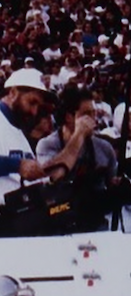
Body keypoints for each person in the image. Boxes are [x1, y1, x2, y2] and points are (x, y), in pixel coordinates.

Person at [0, 67, 80, 237]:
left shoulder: (18, 132)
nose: (34, 111)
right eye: (32, 102)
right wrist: (18, 165)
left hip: (18, 218)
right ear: (13, 93)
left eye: (38, 105)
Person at [35, 87, 121, 232]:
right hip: (59, 223)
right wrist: (79, 134)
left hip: (95, 223)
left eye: (94, 113)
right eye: (86, 114)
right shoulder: (48, 145)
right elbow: (53, 175)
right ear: (69, 116)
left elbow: (112, 183)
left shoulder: (104, 148)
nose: (93, 119)